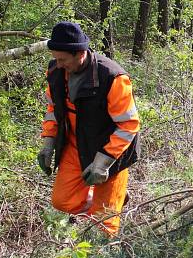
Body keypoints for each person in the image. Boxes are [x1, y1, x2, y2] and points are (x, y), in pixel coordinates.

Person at [37, 21, 140, 235]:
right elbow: (53, 108)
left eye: (63, 59)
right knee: (61, 201)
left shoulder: (112, 77)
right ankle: (105, 203)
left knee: (105, 225)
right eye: (56, 58)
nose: (59, 64)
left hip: (110, 152)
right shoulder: (56, 71)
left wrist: (102, 162)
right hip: (75, 147)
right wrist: (48, 143)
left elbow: (128, 125)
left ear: (80, 53)